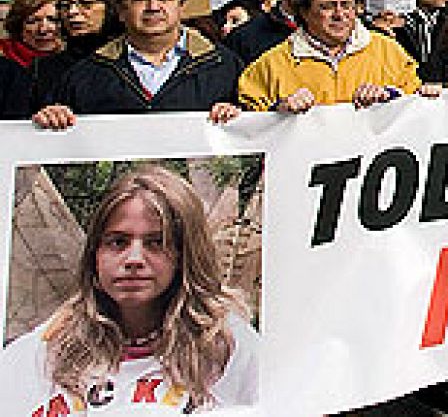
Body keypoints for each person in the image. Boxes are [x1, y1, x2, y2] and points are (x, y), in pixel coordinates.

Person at [0, 166, 260, 412]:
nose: (134, 258)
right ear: (95, 254)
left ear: (184, 255)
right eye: (118, 242)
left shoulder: (228, 346)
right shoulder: (46, 351)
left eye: (156, 243)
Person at [32, 0, 242, 127]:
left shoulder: (225, 66)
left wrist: (238, 115)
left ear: (182, 7)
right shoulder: (85, 73)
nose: (153, 7)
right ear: (122, 11)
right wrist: (53, 117)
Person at [237, 0, 438, 112]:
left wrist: (390, 95)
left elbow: (415, 103)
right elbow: (249, 130)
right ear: (305, 12)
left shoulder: (388, 51)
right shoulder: (270, 66)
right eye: (327, 7)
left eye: (346, 5)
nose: (339, 15)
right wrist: (278, 111)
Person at [23, 0, 122, 117]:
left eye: (86, 3)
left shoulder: (134, 62)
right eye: (65, 5)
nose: (72, 12)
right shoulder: (43, 69)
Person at [0, 0, 62, 118]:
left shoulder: (78, 67)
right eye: (33, 21)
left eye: (53, 20)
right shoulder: (3, 60)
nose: (43, 29)